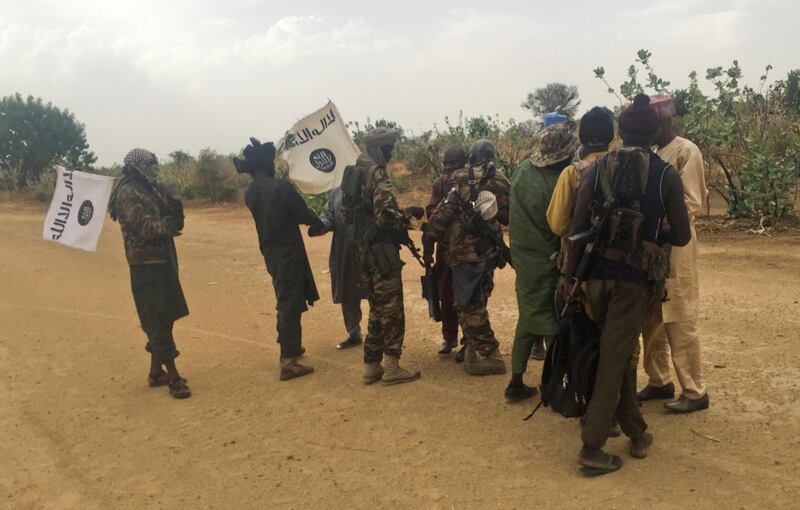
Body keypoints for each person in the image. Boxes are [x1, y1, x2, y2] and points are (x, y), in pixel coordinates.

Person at [565, 93, 692, 474]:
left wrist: (571, 278)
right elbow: (682, 236)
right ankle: (591, 448)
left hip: (595, 277)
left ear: (621, 132)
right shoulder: (665, 174)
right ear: (655, 131)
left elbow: (575, 230)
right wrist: (652, 231)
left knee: (614, 355)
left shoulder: (596, 170)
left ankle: (637, 432)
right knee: (613, 359)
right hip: (633, 283)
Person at [637, 95, 710, 413]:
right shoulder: (655, 153)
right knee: (651, 316)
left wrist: (657, 220)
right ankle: (659, 380)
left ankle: (695, 391)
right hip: (655, 246)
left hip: (677, 245)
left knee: (679, 314)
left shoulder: (686, 150)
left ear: (662, 122)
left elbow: (693, 202)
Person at [236, 137, 324, 381]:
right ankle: (288, 359)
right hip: (289, 252)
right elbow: (301, 213)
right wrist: (319, 224)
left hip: (271, 253)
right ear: (266, 164)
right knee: (290, 302)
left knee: (286, 297)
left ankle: (292, 347)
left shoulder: (251, 192)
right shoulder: (280, 188)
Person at [341, 127, 424, 385]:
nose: (391, 153)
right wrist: (408, 216)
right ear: (379, 148)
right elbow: (386, 217)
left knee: (377, 308)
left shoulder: (354, 172)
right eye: (389, 149)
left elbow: (345, 214)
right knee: (392, 310)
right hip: (382, 254)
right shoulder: (378, 175)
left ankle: (371, 366)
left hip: (362, 252)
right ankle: (392, 367)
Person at [423, 139, 511, 376]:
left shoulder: (460, 180)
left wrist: (429, 241)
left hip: (464, 256)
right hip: (489, 254)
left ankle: (489, 352)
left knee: (468, 306)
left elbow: (439, 219)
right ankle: (473, 350)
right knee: (478, 301)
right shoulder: (501, 180)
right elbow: (507, 217)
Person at [109, 148, 191, 399]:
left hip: (163, 259)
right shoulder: (127, 193)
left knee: (165, 315)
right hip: (145, 265)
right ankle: (174, 378)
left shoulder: (150, 188)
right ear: (135, 168)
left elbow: (169, 209)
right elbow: (145, 227)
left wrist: (172, 205)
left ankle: (156, 373)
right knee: (156, 320)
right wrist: (169, 224)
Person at [505, 123, 579, 401]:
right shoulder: (559, 181)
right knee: (552, 320)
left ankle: (516, 379)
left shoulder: (522, 172)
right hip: (549, 259)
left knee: (528, 315)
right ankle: (556, 383)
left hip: (523, 258)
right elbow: (561, 225)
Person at [309, 186, 366, 350]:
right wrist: (319, 227)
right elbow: (329, 217)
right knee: (347, 291)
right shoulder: (337, 192)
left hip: (368, 249)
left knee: (376, 291)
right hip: (345, 250)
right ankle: (354, 333)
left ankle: (381, 333)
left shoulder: (369, 185)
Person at [422, 145, 467, 355]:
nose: (448, 168)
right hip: (445, 249)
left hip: (467, 250)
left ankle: (469, 341)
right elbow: (431, 211)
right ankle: (449, 339)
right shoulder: (439, 183)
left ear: (463, 165)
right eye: (446, 164)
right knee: (446, 296)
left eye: (453, 164)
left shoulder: (470, 184)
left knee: (467, 297)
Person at [546, 106, 615, 238]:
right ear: (610, 136)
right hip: (621, 250)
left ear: (584, 137)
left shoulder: (572, 173)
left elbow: (558, 225)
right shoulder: (622, 164)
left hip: (585, 253)